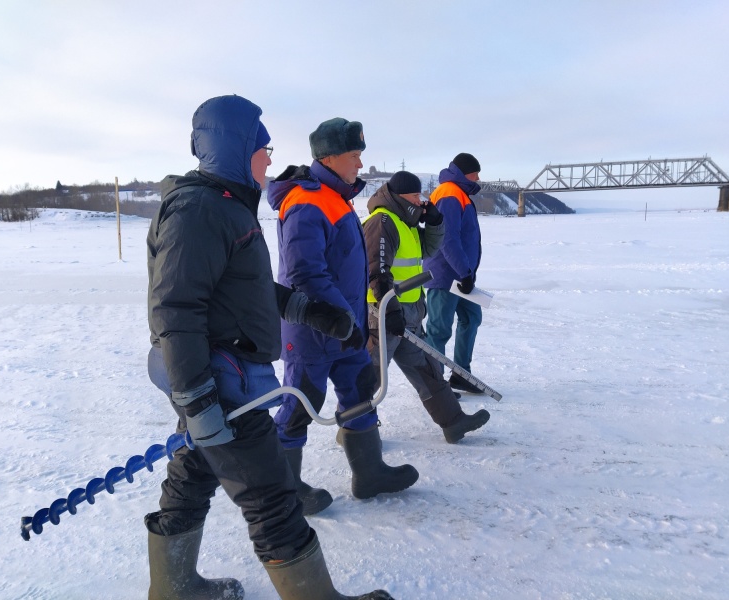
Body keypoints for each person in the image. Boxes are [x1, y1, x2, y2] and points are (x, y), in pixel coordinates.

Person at [146, 95, 393, 600]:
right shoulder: (198, 211)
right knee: (273, 499)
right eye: (263, 147)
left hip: (223, 378)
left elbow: (249, 287)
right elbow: (175, 310)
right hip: (221, 383)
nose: (268, 157)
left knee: (192, 477)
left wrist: (310, 311)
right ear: (236, 147)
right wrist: (196, 397)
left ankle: (174, 587)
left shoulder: (228, 208)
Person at [268, 118, 419, 514]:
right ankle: (284, 495)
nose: (360, 164)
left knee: (360, 388)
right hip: (312, 331)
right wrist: (341, 320)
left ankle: (369, 474)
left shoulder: (336, 199)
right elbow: (306, 273)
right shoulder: (305, 200)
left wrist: (353, 322)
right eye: (354, 156)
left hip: (345, 329)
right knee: (301, 403)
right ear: (329, 157)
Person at [362, 171, 491, 442]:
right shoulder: (382, 222)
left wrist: (434, 222)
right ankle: (355, 432)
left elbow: (428, 251)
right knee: (368, 376)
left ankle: (453, 422)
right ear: (401, 196)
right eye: (416, 196)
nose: (421, 201)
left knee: (427, 368)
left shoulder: (405, 223)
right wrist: (391, 309)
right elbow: (377, 270)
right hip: (383, 314)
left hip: (407, 314)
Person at [423, 153, 485, 394]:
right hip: (446, 275)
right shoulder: (449, 193)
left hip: (461, 275)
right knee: (439, 330)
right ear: (465, 172)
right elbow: (447, 239)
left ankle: (461, 374)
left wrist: (466, 273)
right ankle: (434, 384)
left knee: (471, 318)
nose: (478, 178)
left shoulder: (458, 193)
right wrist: (463, 271)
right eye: (475, 173)